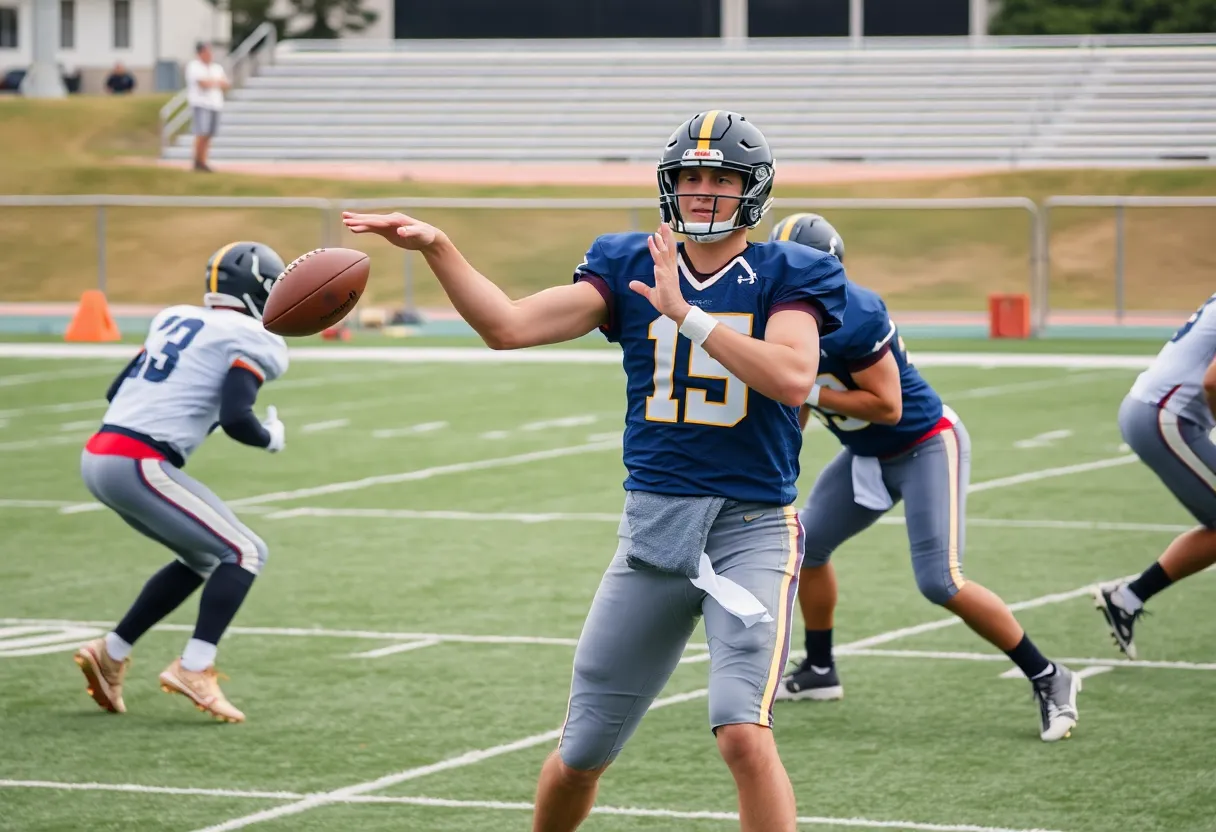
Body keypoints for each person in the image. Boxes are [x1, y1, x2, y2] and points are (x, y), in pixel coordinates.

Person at [343, 110, 848, 832]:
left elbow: (794, 377)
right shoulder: (629, 260)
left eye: (721, 178)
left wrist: (687, 314)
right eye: (691, 176)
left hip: (750, 530)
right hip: (653, 530)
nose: (704, 191)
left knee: (741, 731)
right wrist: (438, 248)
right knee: (581, 752)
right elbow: (508, 327)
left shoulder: (791, 270)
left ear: (753, 189)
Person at [769, 213, 1081, 743]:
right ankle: (820, 668)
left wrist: (807, 391)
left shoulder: (855, 312)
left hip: (924, 444)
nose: (787, 281)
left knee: (940, 581)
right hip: (865, 453)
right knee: (807, 547)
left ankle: (1050, 675)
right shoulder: (778, 314)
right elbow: (793, 398)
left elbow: (887, 406)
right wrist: (782, 456)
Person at [72, 242, 289, 724]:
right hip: (138, 461)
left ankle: (111, 652)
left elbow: (115, 390)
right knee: (245, 552)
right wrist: (270, 438)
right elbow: (237, 418)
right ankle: (194, 666)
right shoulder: (252, 336)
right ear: (259, 290)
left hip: (99, 453)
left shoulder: (174, 318)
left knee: (201, 557)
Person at [1094, 292, 1216, 658]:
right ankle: (1128, 596)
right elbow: (1213, 381)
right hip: (1166, 415)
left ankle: (1128, 597)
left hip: (1158, 411)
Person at [184, 42, 229, 172]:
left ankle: (203, 160)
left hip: (215, 104)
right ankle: (197, 161)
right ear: (200, 53)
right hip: (201, 104)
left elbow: (225, 83)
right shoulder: (194, 66)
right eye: (206, 51)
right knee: (201, 133)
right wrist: (216, 82)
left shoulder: (216, 67)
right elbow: (203, 83)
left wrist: (212, 82)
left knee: (209, 134)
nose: (209, 54)